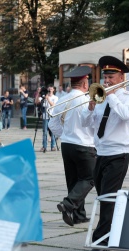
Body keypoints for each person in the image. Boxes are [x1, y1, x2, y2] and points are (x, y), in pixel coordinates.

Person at [81, 55, 129, 251]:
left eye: (111, 77)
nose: (107, 80)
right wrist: (89, 108)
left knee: (107, 197)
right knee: (105, 196)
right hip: (101, 152)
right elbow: (87, 124)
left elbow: (126, 115)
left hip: (119, 153)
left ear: (121, 77)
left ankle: (101, 241)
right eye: (105, 76)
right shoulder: (100, 98)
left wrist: (112, 95)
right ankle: (119, 232)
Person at [48, 66, 96, 227]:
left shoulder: (63, 99)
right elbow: (92, 125)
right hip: (84, 144)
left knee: (74, 180)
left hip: (67, 145)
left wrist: (66, 135)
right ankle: (68, 204)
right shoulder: (86, 100)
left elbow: (52, 123)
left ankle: (78, 215)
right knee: (90, 178)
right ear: (84, 84)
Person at [36, 86, 58, 152]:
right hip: (45, 116)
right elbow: (37, 102)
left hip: (52, 116)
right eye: (49, 88)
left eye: (51, 88)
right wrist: (38, 94)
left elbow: (53, 105)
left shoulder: (55, 97)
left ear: (53, 90)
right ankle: (44, 146)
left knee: (52, 132)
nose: (50, 89)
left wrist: (48, 99)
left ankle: (53, 146)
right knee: (44, 132)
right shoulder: (43, 97)